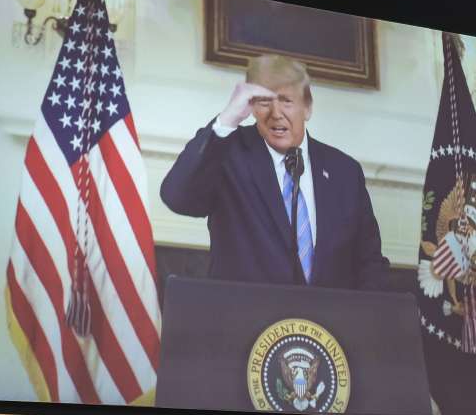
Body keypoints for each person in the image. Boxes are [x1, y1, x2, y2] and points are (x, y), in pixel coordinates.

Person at [160, 55, 390, 290]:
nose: (276, 113)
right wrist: (228, 118)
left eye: (286, 100)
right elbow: (178, 198)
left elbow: (369, 262)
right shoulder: (228, 152)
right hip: (246, 321)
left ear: (307, 107)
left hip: (326, 324)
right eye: (263, 102)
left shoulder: (344, 171)